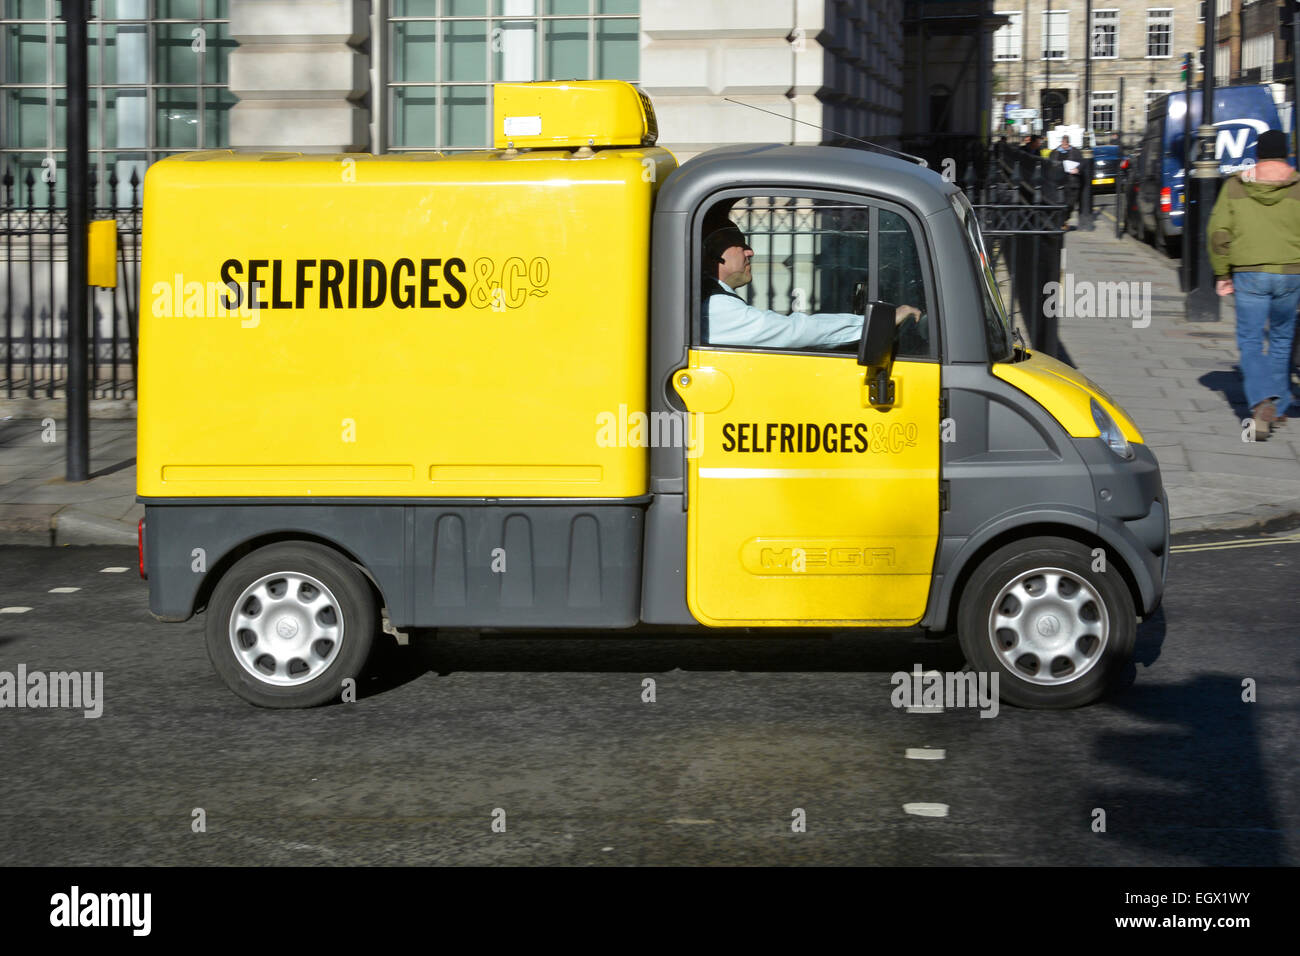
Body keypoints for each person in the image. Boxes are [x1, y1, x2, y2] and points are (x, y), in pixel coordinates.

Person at [1208, 128, 1300, 438]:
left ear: (1258, 153)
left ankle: (1262, 401)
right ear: (1287, 153)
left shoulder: (1235, 184)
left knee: (1249, 340)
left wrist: (1222, 274)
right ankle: (1281, 405)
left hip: (1248, 272)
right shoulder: (1298, 184)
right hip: (1291, 273)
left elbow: (1219, 233)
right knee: (1282, 339)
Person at [701, 225, 922, 351]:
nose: (750, 252)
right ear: (715, 257)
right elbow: (794, 331)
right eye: (739, 244)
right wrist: (877, 322)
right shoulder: (714, 307)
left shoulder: (716, 301)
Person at [1054, 135, 1083, 229]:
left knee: (1070, 204)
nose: (1064, 146)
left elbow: (1082, 163)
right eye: (1063, 144)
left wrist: (1077, 169)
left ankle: (1064, 220)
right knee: (1059, 203)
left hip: (1072, 182)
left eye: (1066, 144)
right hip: (1059, 183)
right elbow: (1050, 163)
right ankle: (1061, 222)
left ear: (1068, 143)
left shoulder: (1076, 152)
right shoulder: (1054, 152)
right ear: (1061, 143)